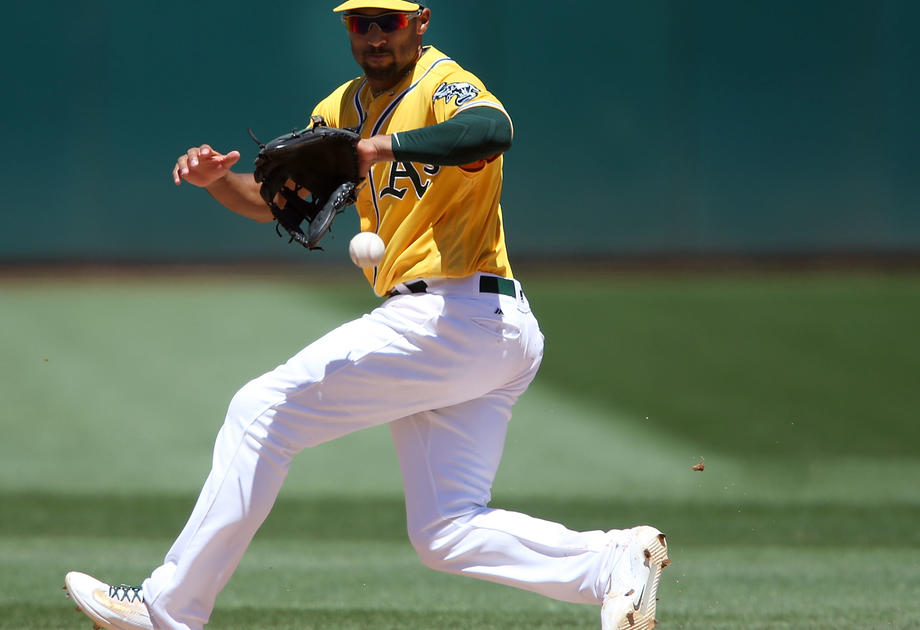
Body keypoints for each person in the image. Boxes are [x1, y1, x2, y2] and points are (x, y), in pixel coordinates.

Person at [63, 2, 669, 629]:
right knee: (445, 532)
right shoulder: (339, 110)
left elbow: (493, 129)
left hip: (455, 313)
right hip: (476, 331)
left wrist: (384, 146)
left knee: (262, 410)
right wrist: (219, 180)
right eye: (362, 24)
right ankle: (614, 563)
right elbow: (280, 202)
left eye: (391, 21)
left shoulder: (441, 85)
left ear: (421, 22)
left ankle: (167, 610)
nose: (377, 35)